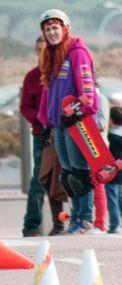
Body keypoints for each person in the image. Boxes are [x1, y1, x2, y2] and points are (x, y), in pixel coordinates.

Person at [37, 9, 101, 235]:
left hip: (78, 123)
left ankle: (85, 220)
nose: (52, 32)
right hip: (60, 125)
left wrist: (75, 110)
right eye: (47, 29)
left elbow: (88, 92)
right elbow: (49, 93)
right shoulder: (53, 55)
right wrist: (45, 122)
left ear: (65, 28)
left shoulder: (77, 52)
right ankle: (75, 218)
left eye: (55, 27)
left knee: (80, 172)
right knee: (68, 175)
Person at [20, 36, 64, 237]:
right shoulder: (31, 77)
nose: (41, 53)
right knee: (39, 180)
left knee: (62, 179)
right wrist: (39, 121)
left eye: (44, 49)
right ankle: (31, 226)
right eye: (38, 50)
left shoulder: (60, 73)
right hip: (41, 135)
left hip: (62, 132)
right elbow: (25, 107)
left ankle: (60, 223)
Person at [93, 89, 110, 232]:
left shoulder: (100, 99)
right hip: (85, 145)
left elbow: (101, 124)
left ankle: (100, 223)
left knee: (98, 186)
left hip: (98, 148)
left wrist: (81, 121)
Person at [106, 106, 122, 233]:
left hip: (113, 172)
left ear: (110, 120)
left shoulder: (111, 136)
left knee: (112, 199)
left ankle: (115, 225)